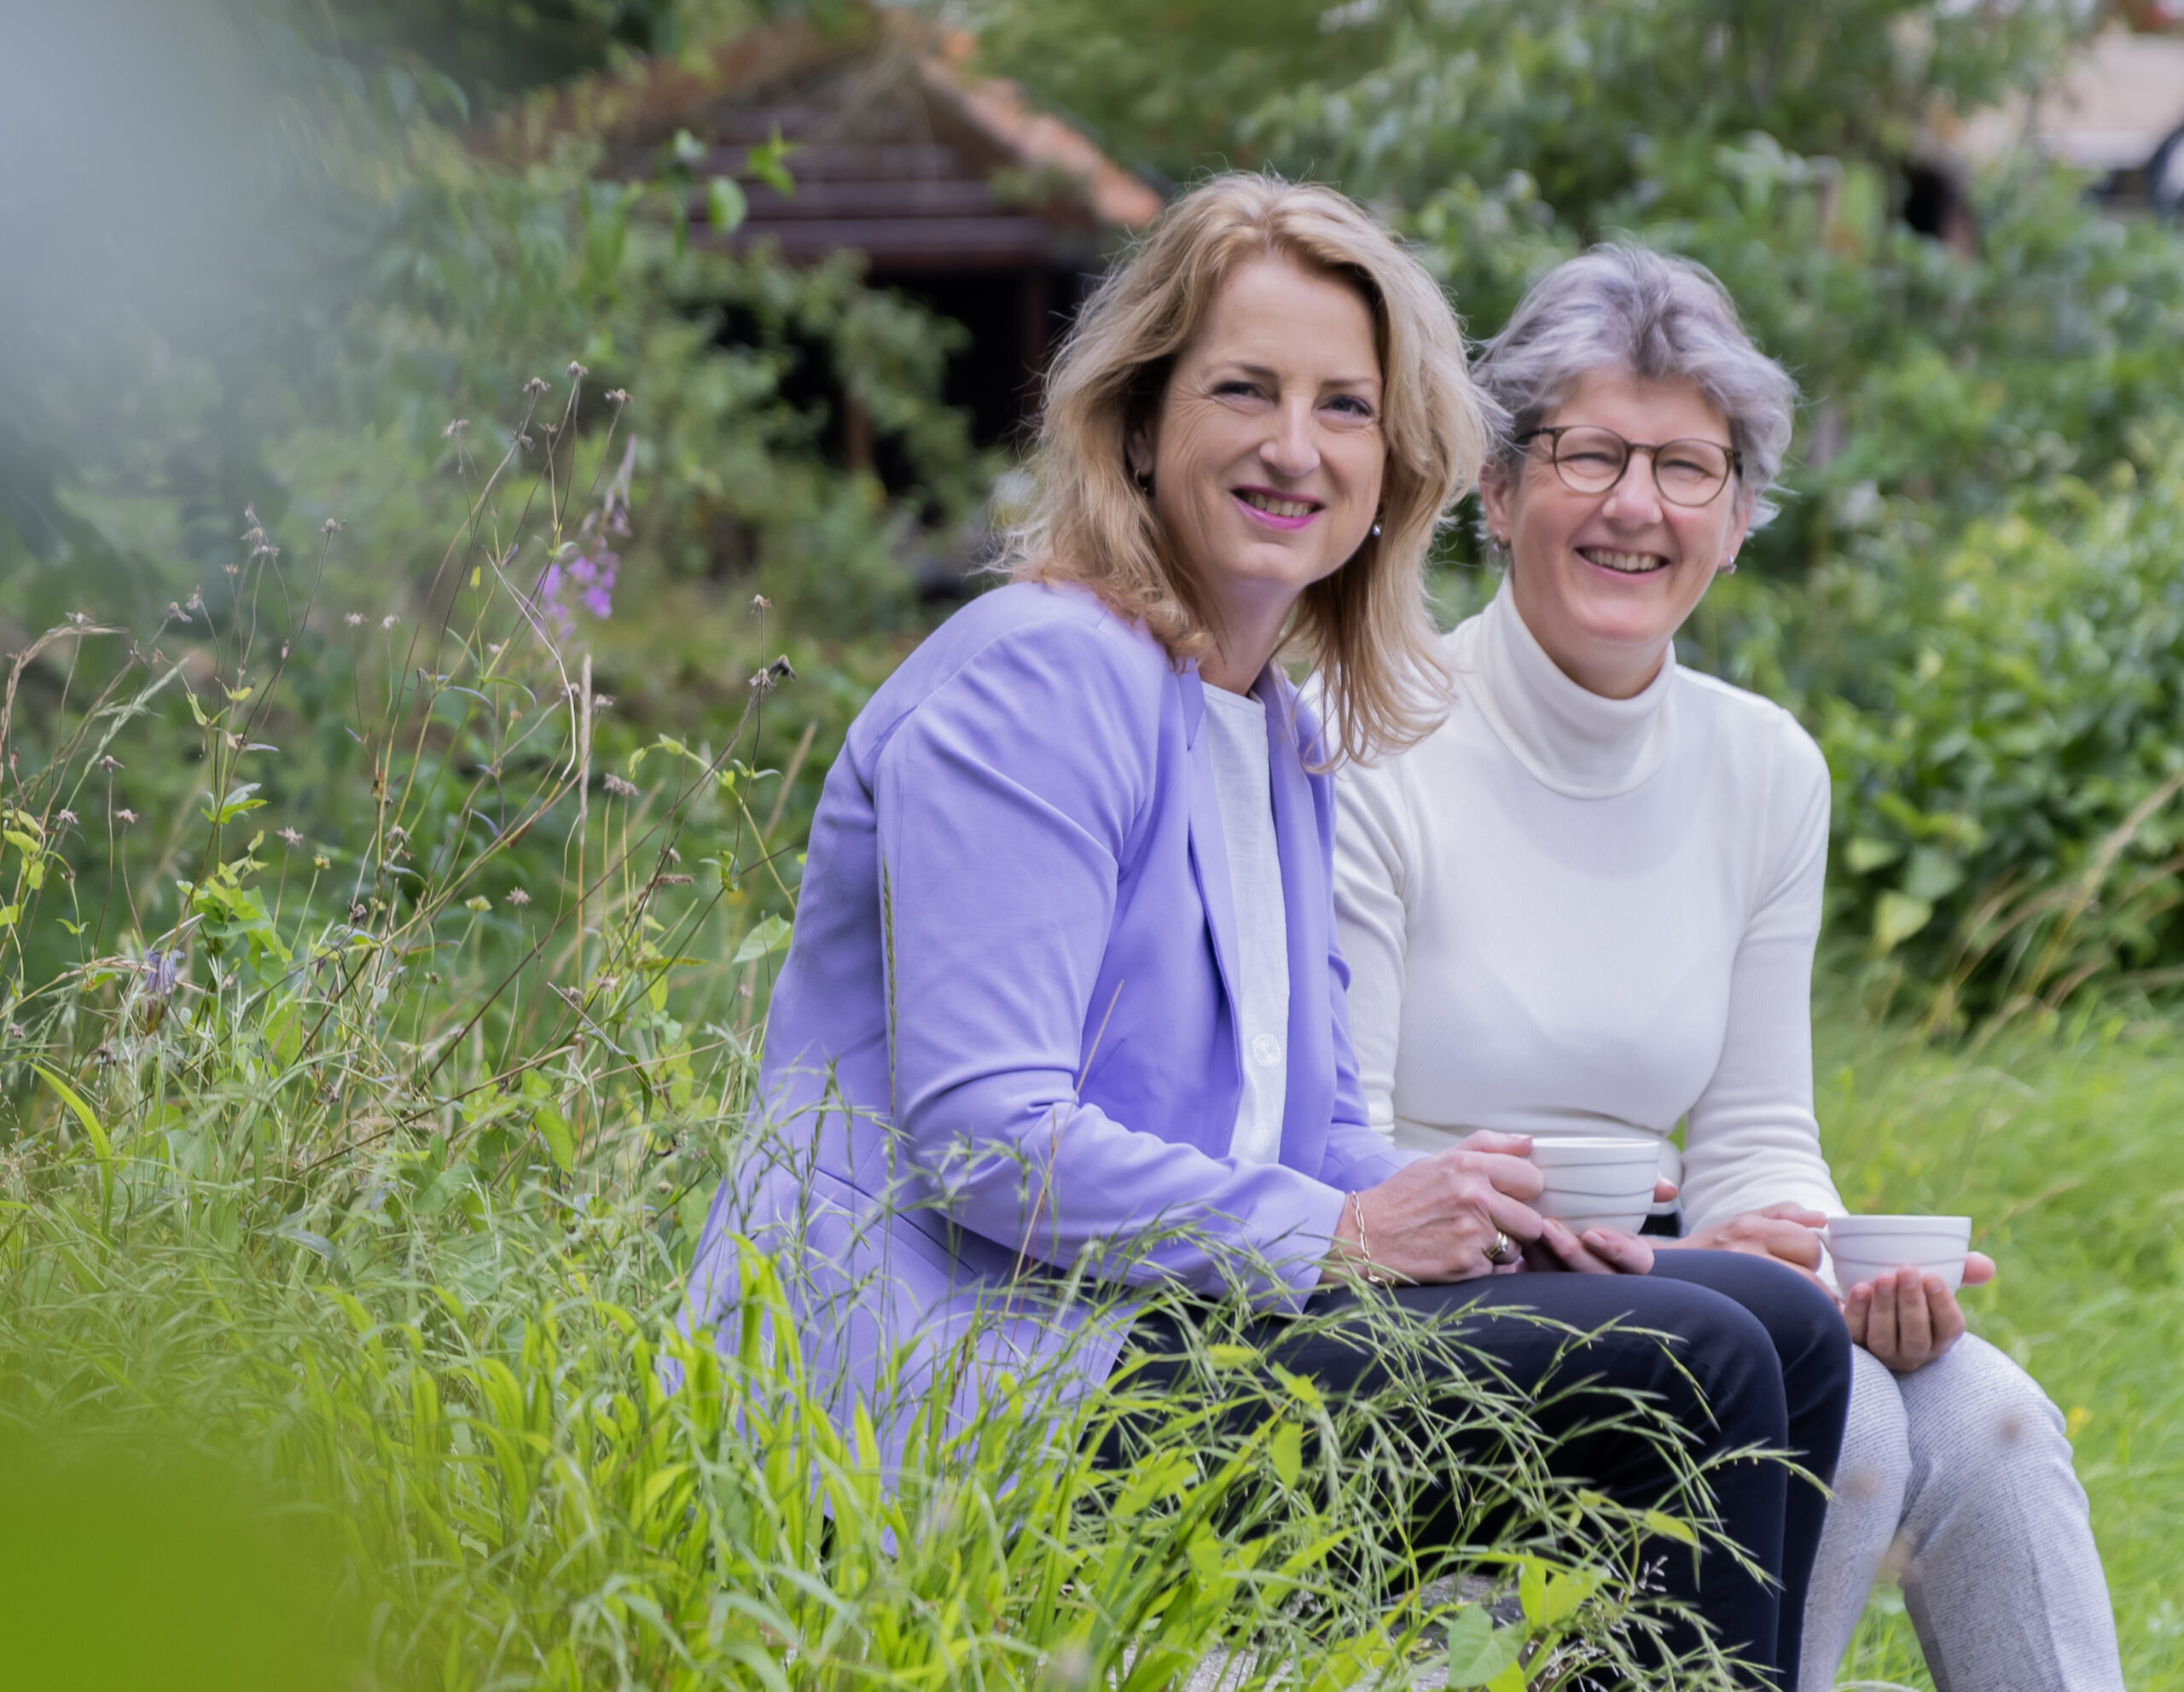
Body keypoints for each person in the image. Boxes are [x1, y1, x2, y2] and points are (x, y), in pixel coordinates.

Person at [682, 177, 1850, 1688]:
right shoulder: (1039, 679)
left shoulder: (1272, 729)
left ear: (1395, 461)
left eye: (1345, 407)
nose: (1296, 447)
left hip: (1158, 1328)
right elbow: (983, 1138)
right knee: (1683, 1364)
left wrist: (1482, 1207)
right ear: (1141, 418)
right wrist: (1349, 1232)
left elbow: (1296, 1134)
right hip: (975, 1378)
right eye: (1247, 390)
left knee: (1765, 1316)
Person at [1329, 243, 2126, 1692]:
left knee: (2000, 1429)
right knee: (1857, 1432)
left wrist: (1815, 1251)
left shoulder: (1765, 766)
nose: (1637, 504)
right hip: (1441, 1306)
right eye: (1588, 453)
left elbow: (1756, 1135)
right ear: (1496, 493)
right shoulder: (1374, 734)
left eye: (1688, 467)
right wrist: (1697, 1266)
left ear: (1741, 516)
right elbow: (1347, 1151)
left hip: (1692, 1288)